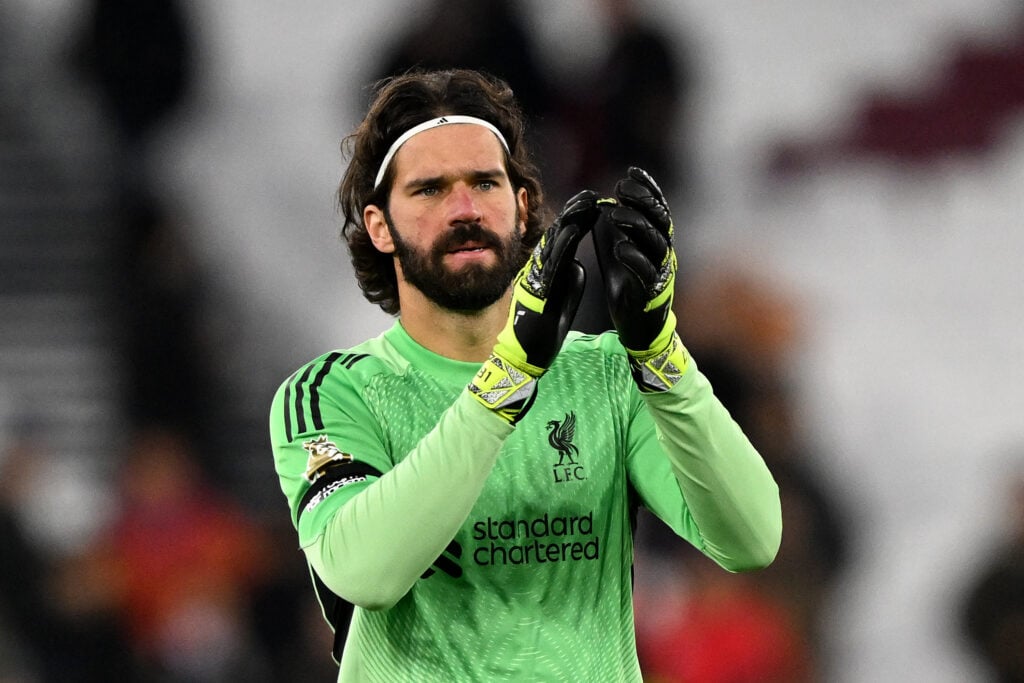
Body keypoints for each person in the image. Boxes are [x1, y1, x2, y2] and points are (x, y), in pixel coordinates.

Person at [268, 68, 782, 681]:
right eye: (429, 189)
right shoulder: (331, 393)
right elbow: (365, 572)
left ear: (522, 206)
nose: (464, 209)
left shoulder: (610, 376)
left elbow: (752, 538)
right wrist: (509, 378)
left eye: (484, 182)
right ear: (380, 227)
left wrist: (660, 353)